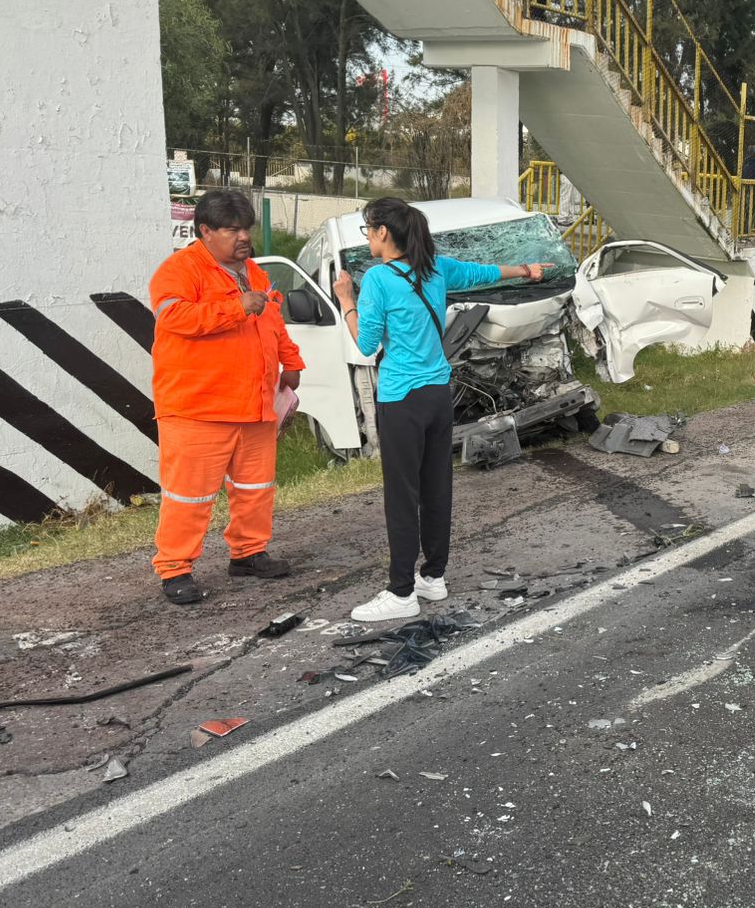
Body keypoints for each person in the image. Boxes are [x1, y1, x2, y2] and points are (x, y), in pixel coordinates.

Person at [332, 197, 556, 622]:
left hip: (401, 399)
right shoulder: (435, 268)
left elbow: (365, 345)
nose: (368, 238)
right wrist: (526, 270)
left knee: (402, 496)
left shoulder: (379, 278)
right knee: (436, 488)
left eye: (368, 230)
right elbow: (483, 273)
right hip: (438, 396)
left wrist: (346, 300)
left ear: (382, 233)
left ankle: (400, 593)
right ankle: (432, 577)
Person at [147, 189, 304, 605]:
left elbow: (272, 321)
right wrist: (237, 307)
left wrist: (292, 363)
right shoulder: (179, 270)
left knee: (255, 487)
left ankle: (249, 554)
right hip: (198, 408)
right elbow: (174, 317)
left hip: (254, 403)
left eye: (246, 228)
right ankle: (175, 569)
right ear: (205, 231)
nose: (243, 237)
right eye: (232, 229)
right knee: (189, 495)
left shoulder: (254, 272)